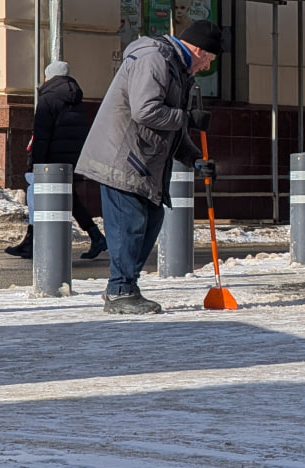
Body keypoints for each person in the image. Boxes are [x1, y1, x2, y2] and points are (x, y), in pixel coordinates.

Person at [76, 21, 221, 315]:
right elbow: (146, 111)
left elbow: (170, 131)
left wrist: (194, 160)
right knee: (130, 228)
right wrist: (188, 118)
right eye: (208, 59)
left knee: (149, 224)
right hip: (124, 159)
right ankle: (120, 291)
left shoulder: (175, 68)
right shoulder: (154, 59)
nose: (206, 67)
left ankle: (125, 287)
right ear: (197, 49)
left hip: (144, 162)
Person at [5, 61, 108, 260]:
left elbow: (42, 133)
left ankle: (33, 241)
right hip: (70, 155)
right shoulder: (75, 96)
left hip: (51, 157)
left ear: (49, 77)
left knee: (35, 193)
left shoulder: (48, 98)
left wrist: (36, 163)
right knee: (69, 197)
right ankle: (96, 236)